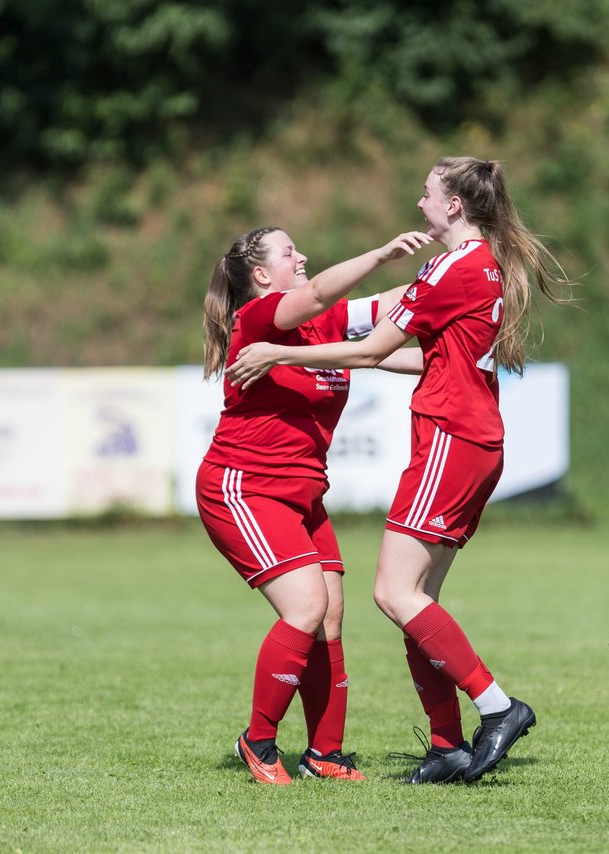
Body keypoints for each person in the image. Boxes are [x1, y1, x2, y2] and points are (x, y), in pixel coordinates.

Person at [228, 156, 571, 784]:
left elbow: (369, 341)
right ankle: (445, 745)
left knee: (394, 593)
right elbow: (416, 353)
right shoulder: (479, 265)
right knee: (417, 601)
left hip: (450, 436)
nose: (420, 204)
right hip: (471, 437)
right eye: (289, 251)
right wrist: (373, 308)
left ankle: (497, 709)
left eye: (426, 194)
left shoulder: (447, 266)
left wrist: (283, 352)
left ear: (455, 206)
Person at [199, 225, 431, 785]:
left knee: (329, 615)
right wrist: (378, 252)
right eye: (288, 252)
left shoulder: (326, 325)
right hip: (243, 487)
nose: (301, 256)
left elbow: (400, 305)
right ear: (261, 275)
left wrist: (462, 267)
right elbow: (320, 292)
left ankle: (325, 752)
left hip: (302, 496)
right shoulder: (257, 319)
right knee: (304, 606)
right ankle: (257, 740)